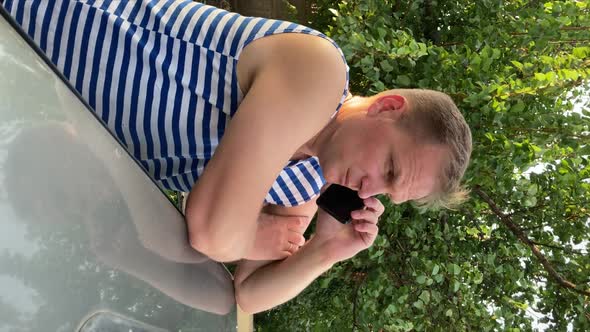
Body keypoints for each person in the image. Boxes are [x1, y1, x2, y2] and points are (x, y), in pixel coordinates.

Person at [3, 0, 472, 313]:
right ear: (387, 109)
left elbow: (240, 296)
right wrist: (250, 236)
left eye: (389, 191)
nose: (370, 189)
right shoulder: (319, 74)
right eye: (389, 168)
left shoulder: (303, 186)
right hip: (32, 24)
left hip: (29, 85)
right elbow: (210, 230)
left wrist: (325, 251)